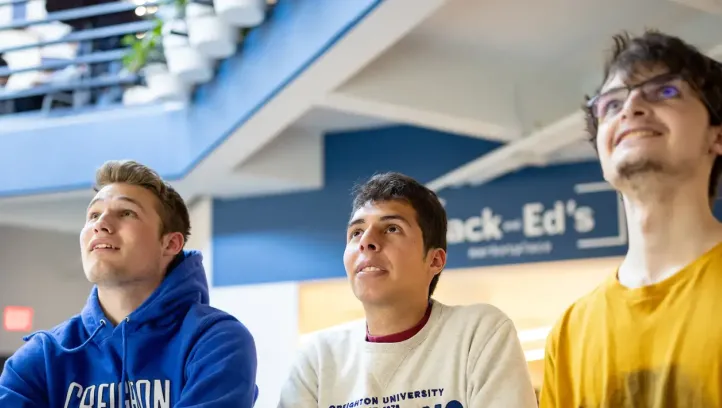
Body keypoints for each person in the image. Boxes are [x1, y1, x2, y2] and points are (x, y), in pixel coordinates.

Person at [540, 30, 722, 407]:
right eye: (611, 104)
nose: (631, 106)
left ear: (716, 137)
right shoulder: (571, 332)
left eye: (666, 91)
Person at [0, 160, 259, 407]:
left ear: (170, 244)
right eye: (93, 215)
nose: (100, 224)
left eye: (126, 212)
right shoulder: (44, 356)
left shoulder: (216, 341)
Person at [278, 172, 537, 408]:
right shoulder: (319, 357)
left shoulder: (478, 333)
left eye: (392, 228)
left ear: (434, 260)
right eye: (356, 232)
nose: (366, 241)